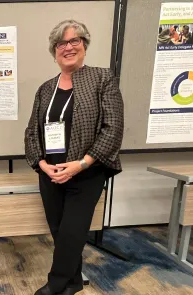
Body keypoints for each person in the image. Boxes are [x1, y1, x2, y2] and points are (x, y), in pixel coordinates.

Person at [24, 20, 124, 295]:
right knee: (60, 231)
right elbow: (32, 132)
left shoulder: (102, 78)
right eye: (61, 43)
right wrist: (42, 164)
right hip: (51, 174)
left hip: (87, 172)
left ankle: (55, 285)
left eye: (74, 41)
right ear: (54, 51)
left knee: (72, 232)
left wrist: (81, 163)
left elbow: (113, 127)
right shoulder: (46, 89)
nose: (68, 47)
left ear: (84, 45)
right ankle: (74, 282)